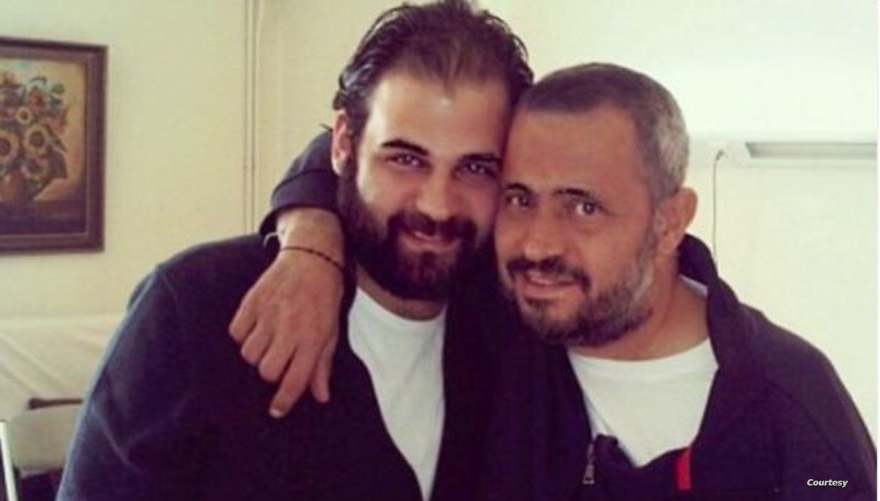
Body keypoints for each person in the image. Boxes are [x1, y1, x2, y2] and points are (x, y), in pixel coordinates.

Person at [230, 64, 876, 500]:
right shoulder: (501, 319)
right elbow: (345, 145)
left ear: (669, 221)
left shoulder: (790, 407)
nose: (538, 244)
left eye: (584, 206)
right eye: (519, 198)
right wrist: (310, 243)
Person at [57, 1, 532, 500]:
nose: (437, 205)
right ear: (343, 144)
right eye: (405, 159)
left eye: (475, 168)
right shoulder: (196, 308)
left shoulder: (514, 327)